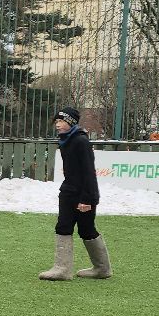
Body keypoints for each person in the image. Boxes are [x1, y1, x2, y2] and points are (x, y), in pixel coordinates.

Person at [41, 107, 111, 281]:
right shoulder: (66, 140)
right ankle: (62, 269)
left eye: (61, 121)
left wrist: (88, 199)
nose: (57, 125)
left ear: (71, 122)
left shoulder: (80, 141)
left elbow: (88, 172)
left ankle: (102, 269)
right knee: (63, 226)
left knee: (87, 230)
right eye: (56, 121)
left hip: (82, 194)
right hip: (68, 191)